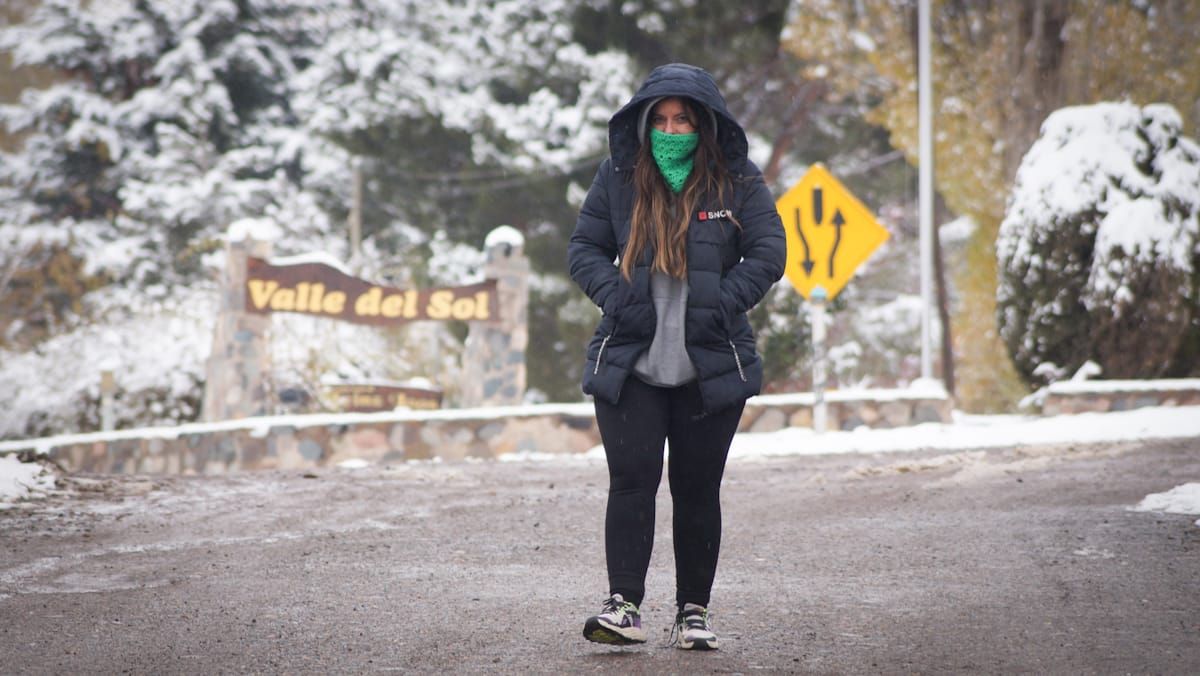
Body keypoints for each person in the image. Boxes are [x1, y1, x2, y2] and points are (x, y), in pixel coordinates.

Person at [567, 63, 785, 650]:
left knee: (696, 490)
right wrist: (616, 296)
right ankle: (624, 606)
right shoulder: (618, 177)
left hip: (708, 364)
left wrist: (721, 301)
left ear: (704, 125)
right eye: (659, 120)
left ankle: (693, 612)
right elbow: (584, 247)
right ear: (642, 125)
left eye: (682, 119)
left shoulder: (736, 180)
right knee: (631, 484)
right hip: (632, 360)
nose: (670, 130)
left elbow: (769, 250)